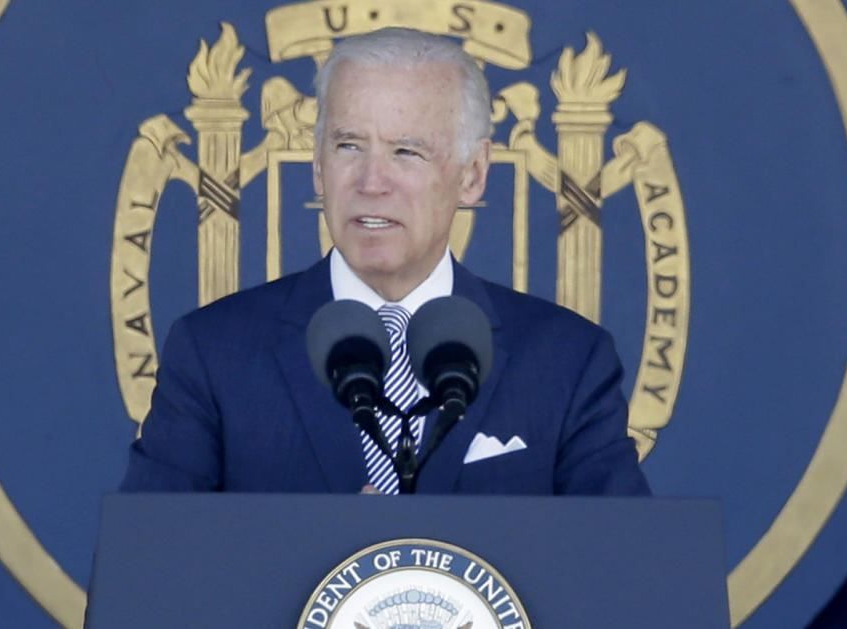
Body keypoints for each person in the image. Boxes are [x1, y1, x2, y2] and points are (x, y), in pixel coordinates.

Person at [120, 27, 649, 496]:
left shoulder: (567, 361)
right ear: (318, 168)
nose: (371, 183)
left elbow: (620, 578)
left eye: (406, 152)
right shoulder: (214, 353)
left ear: (473, 174)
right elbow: (147, 574)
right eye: (349, 146)